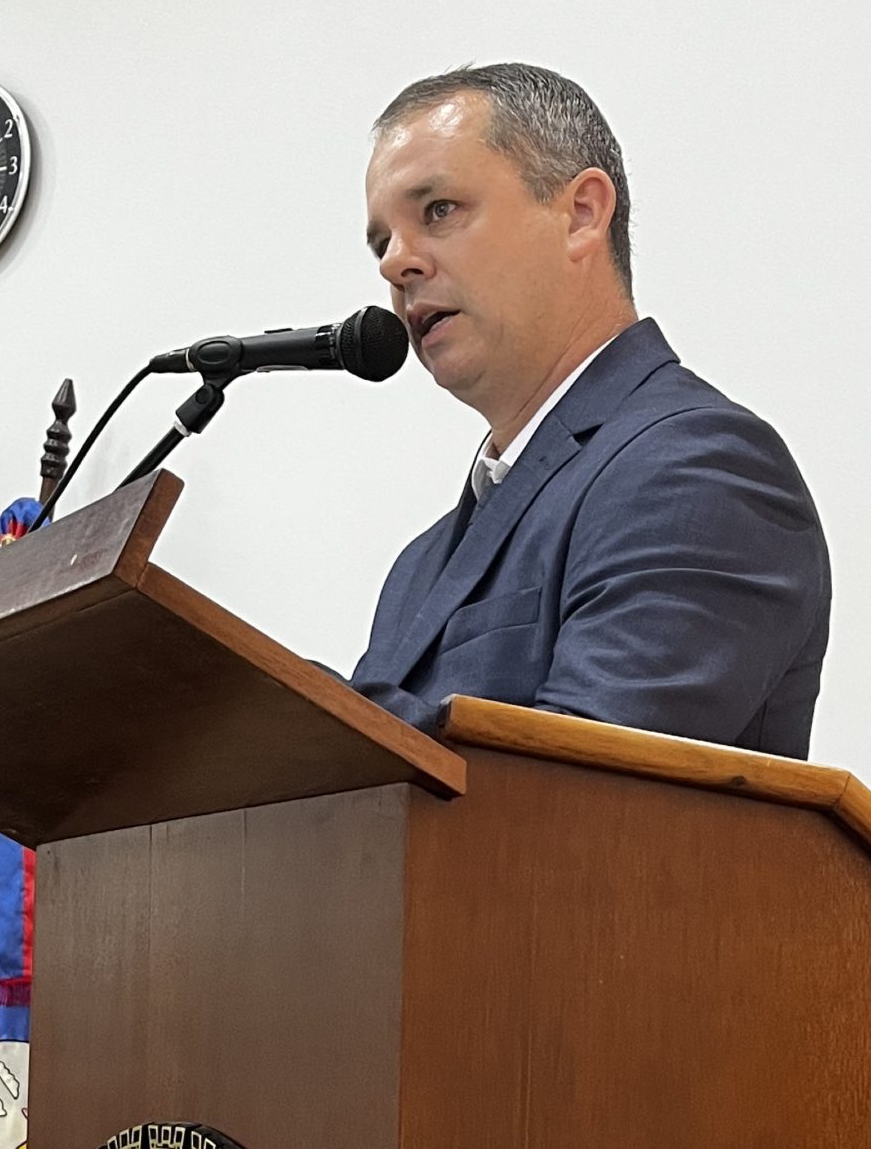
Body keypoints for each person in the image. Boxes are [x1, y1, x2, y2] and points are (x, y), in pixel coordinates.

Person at [353, 61, 830, 753]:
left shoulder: (696, 470)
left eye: (438, 211)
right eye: (380, 242)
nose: (396, 264)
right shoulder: (418, 569)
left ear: (581, 215)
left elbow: (579, 797)